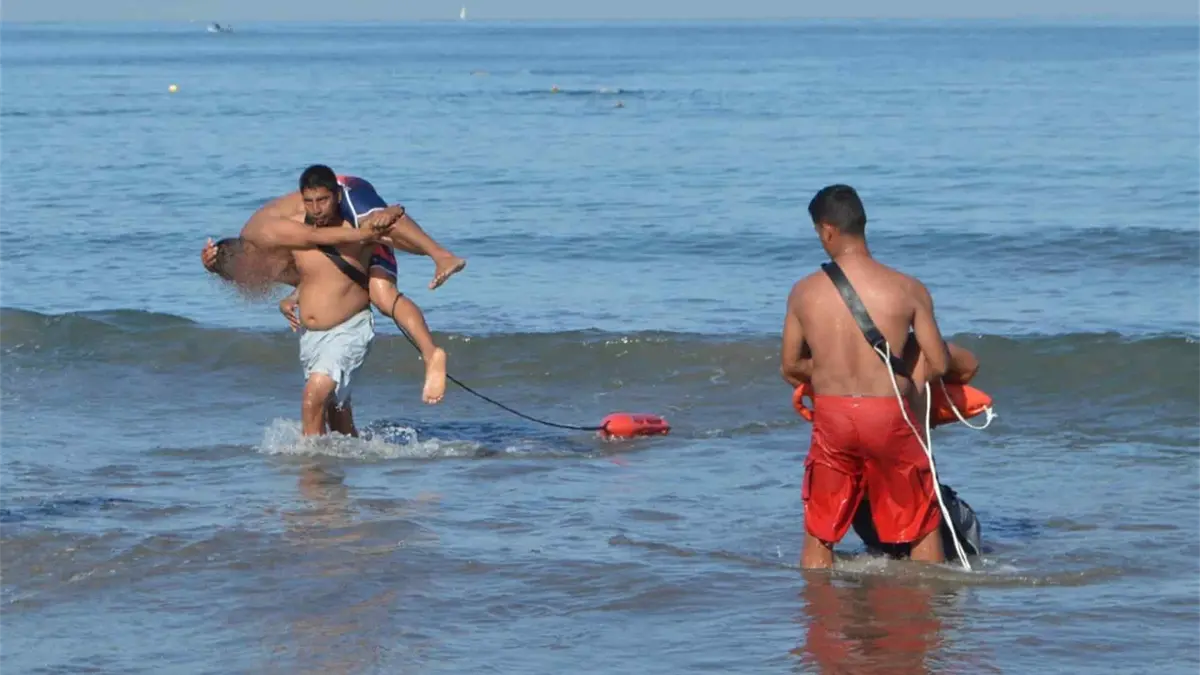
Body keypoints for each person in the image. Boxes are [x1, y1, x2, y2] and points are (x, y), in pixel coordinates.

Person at [780, 183, 952, 570]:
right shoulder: (908, 288)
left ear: (827, 230)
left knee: (820, 529)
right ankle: (924, 600)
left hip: (834, 416)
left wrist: (830, 373)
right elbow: (940, 364)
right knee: (921, 522)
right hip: (890, 414)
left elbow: (790, 365)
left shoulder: (803, 292)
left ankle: (818, 603)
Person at [201, 170, 454, 409]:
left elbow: (314, 237)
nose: (245, 284)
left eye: (239, 278)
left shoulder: (263, 233)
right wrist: (293, 296)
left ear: (245, 257)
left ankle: (440, 258)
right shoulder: (263, 264)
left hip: (345, 190)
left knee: (377, 226)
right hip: (340, 235)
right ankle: (348, 432)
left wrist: (367, 232)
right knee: (381, 294)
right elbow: (315, 276)